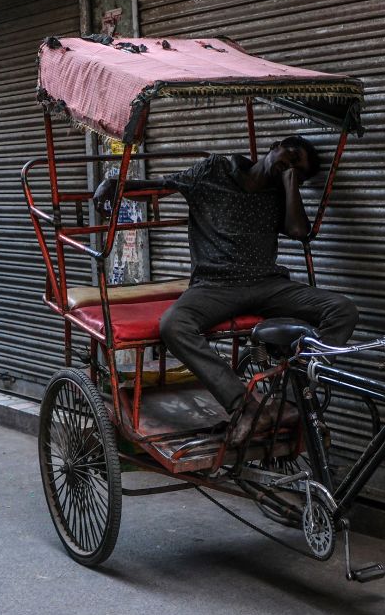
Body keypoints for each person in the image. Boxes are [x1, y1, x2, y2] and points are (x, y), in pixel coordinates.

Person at [92, 135, 358, 441]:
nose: (290, 165)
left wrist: (289, 183)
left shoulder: (281, 192)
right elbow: (163, 187)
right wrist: (115, 184)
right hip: (214, 286)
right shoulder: (214, 170)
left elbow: (299, 231)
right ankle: (244, 406)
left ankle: (304, 400)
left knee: (342, 310)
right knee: (174, 325)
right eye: (291, 155)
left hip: (267, 284)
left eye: (299, 170)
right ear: (275, 146)